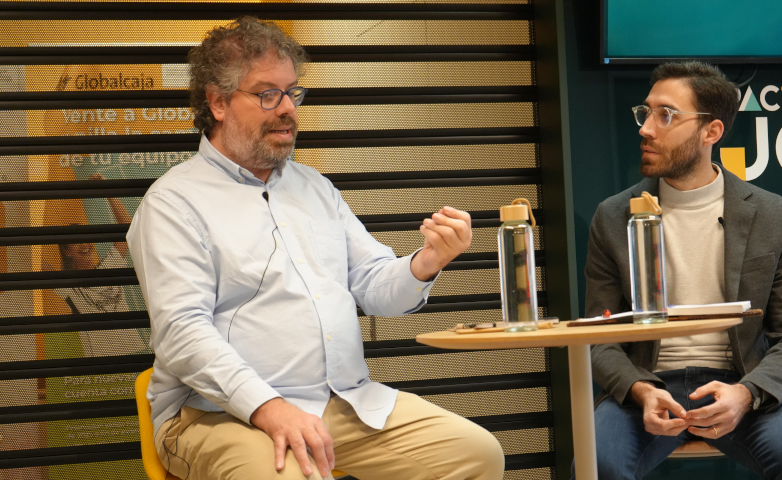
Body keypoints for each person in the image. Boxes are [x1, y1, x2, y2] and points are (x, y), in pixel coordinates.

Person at [126, 17, 504, 480]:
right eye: (268, 94)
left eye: (293, 92)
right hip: (216, 415)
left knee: (477, 455)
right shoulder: (173, 203)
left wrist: (426, 262)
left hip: (339, 403)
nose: (287, 109)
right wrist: (269, 407)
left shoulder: (315, 187)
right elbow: (182, 332)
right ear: (218, 102)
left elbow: (372, 284)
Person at [580, 62, 782, 479]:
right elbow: (599, 339)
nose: (645, 129)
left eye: (666, 115)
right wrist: (641, 391)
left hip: (739, 382)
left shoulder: (771, 215)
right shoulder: (613, 216)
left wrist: (746, 394)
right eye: (645, 113)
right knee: (597, 465)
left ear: (711, 132)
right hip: (646, 384)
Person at [55, 174, 146, 357]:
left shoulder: (111, 264)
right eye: (75, 242)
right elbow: (32, 260)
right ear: (66, 251)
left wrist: (108, 191)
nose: (85, 245)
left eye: (86, 237)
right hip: (102, 365)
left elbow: (127, 227)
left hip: (136, 355)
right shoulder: (67, 285)